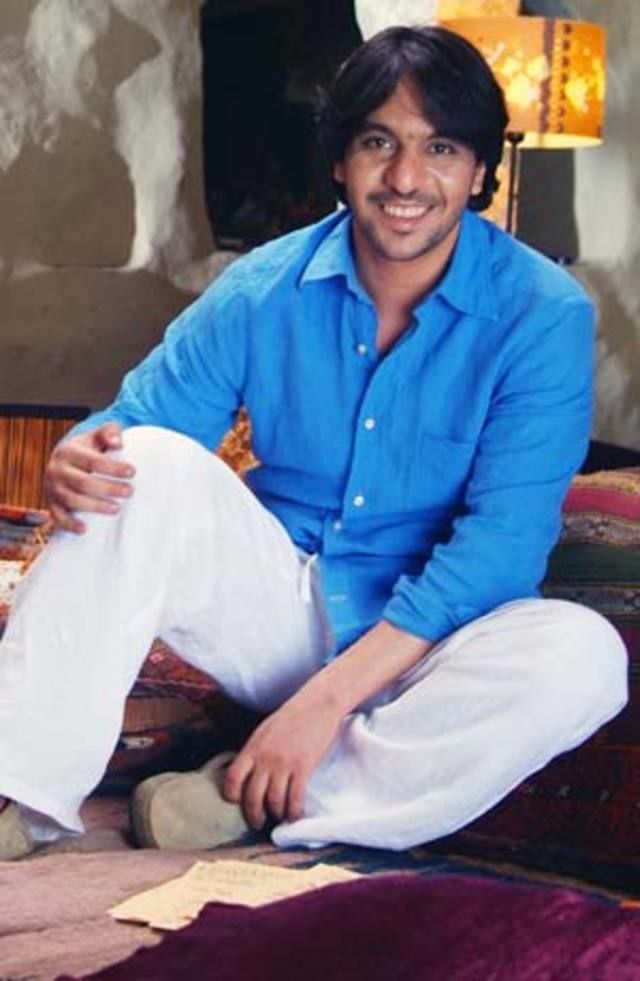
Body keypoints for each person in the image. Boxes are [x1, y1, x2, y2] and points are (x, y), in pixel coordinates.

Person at [0, 26, 627, 860]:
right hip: (282, 607)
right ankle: (21, 790)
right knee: (140, 461)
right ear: (340, 160)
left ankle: (246, 796)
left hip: (434, 639)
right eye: (379, 143)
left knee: (584, 658)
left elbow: (499, 552)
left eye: (440, 148)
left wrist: (324, 703)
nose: (406, 178)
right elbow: (136, 424)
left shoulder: (542, 313)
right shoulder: (262, 289)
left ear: (481, 170)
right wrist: (77, 455)